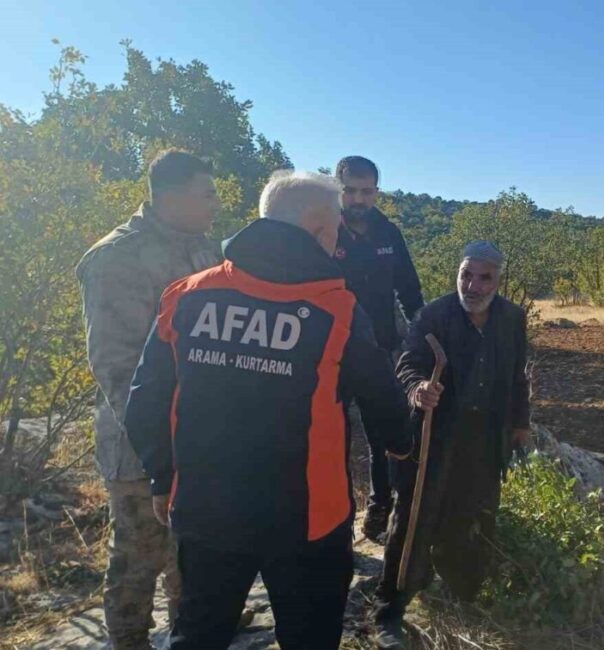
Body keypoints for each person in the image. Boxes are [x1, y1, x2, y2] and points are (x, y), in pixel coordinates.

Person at [124, 171, 412, 650]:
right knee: (309, 638)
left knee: (199, 634)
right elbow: (384, 403)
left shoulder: (187, 295)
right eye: (336, 230)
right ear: (320, 229)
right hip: (308, 522)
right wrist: (404, 449)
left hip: (205, 510)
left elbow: (145, 400)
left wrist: (163, 478)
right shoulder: (338, 310)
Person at [77, 149, 221, 650]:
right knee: (139, 557)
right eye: (207, 193)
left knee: (192, 551)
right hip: (141, 446)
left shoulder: (206, 250)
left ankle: (190, 633)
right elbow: (115, 368)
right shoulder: (117, 257)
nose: (216, 204)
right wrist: (160, 446)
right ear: (172, 196)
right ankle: (130, 641)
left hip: (200, 438)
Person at [373, 241, 530, 649]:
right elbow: (408, 363)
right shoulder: (434, 315)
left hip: (484, 439)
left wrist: (520, 424)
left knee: (472, 516)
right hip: (433, 438)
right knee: (413, 520)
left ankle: (462, 595)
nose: (473, 285)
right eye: (466, 275)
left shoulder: (511, 318)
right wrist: (418, 389)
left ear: (499, 279)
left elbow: (517, 375)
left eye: (484, 277)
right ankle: (390, 609)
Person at [333, 156, 425, 541]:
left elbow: (408, 290)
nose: (358, 199)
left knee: (382, 433)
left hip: (378, 350)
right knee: (332, 436)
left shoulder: (388, 233)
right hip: (330, 352)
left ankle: (378, 507)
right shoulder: (322, 229)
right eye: (350, 190)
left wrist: (424, 336)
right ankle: (336, 517)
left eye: (366, 191)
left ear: (376, 191)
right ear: (337, 189)